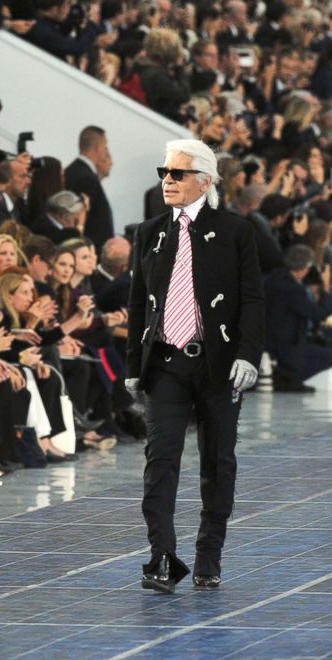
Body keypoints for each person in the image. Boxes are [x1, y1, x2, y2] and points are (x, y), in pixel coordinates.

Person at [125, 139, 264, 593]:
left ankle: (209, 557)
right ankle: (161, 557)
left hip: (217, 364)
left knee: (217, 462)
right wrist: (133, 364)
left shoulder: (235, 231)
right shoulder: (149, 232)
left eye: (177, 173)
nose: (168, 179)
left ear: (205, 180)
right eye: (164, 171)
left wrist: (247, 354)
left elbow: (251, 300)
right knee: (159, 460)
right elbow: (137, 306)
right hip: (164, 363)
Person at [263, 244, 332, 392]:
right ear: (304, 269)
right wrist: (326, 287)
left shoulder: (273, 278)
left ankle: (286, 377)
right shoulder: (292, 290)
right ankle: (288, 378)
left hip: (273, 340)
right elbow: (319, 314)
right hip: (284, 347)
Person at [64, 126, 114, 250]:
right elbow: (81, 218)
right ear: (98, 147)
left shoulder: (73, 170)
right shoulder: (85, 177)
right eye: (105, 146)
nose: (106, 152)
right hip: (88, 248)